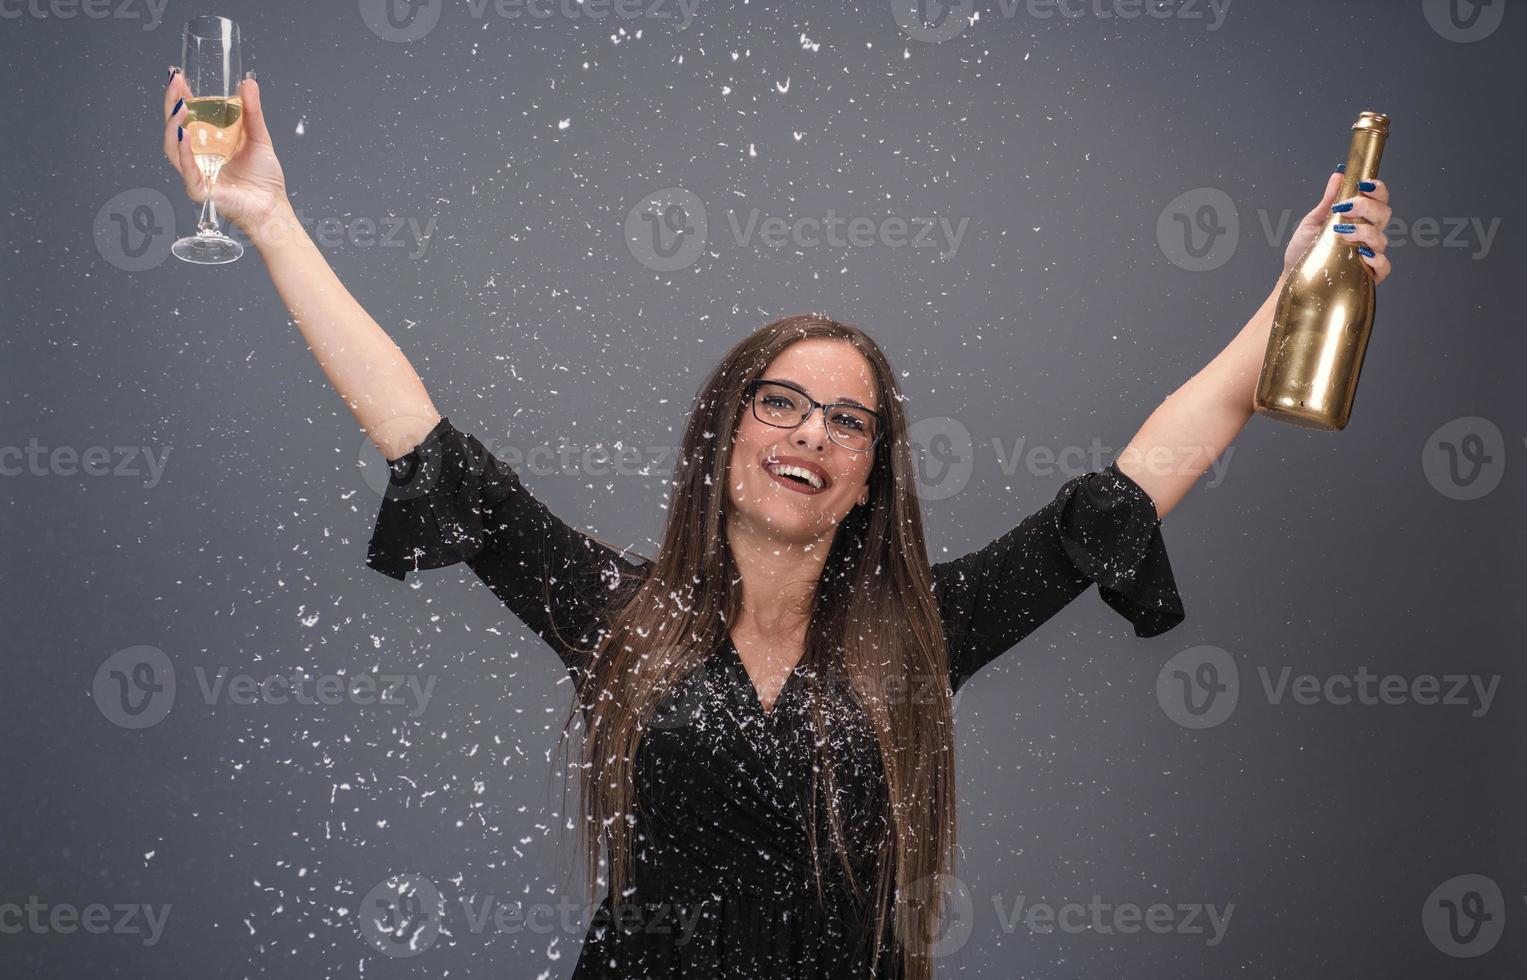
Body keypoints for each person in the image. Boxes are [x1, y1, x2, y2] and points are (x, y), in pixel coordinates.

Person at [158, 70, 1395, 980]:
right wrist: (267, 217)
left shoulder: (926, 630)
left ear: (869, 474)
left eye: (847, 421)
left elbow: (1136, 483)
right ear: (727, 432)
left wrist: (1291, 299)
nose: (812, 432)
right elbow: (421, 439)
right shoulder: (616, 611)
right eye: (784, 403)